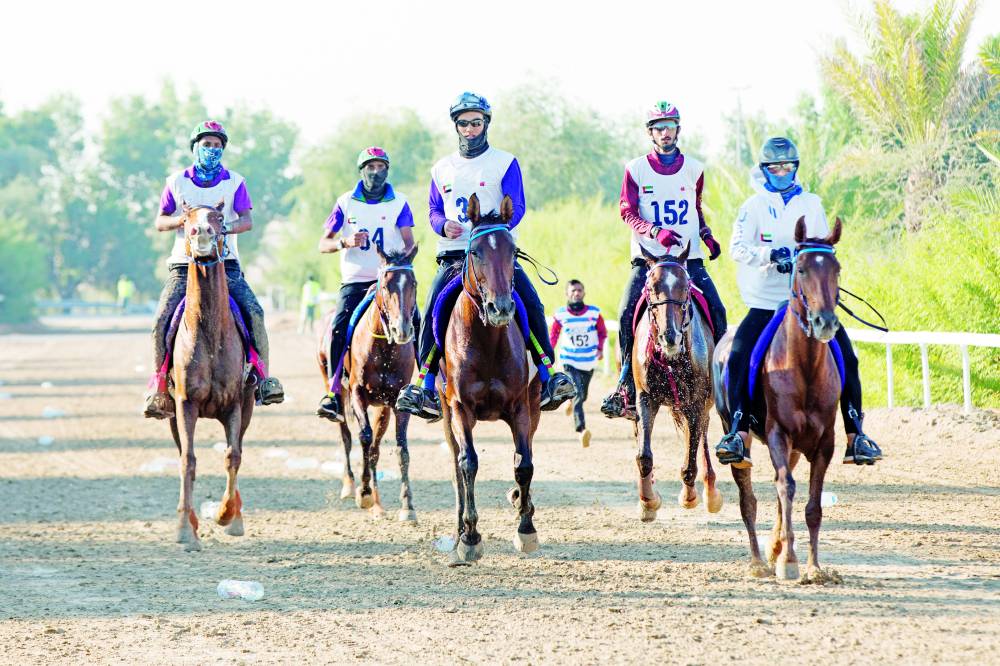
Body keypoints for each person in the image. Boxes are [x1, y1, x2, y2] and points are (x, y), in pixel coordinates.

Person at [395, 91, 576, 421]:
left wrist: (491, 232)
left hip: (495, 255)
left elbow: (516, 205)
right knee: (433, 306)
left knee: (531, 303)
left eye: (476, 122)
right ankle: (424, 387)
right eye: (463, 123)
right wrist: (442, 225)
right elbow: (434, 210)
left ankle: (550, 376)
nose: (470, 129)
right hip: (454, 255)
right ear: (456, 126)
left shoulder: (504, 162)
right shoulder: (441, 168)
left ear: (486, 123)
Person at [714, 137, 882, 468]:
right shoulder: (753, 206)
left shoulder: (812, 203)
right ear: (764, 170)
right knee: (738, 355)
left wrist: (812, 266)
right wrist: (769, 255)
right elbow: (737, 247)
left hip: (808, 303)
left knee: (848, 357)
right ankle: (738, 431)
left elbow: (823, 246)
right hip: (766, 301)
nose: (781, 172)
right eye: (774, 167)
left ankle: (856, 435)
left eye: (787, 166)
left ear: (795, 168)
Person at [143, 120, 284, 419]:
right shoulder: (176, 181)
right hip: (184, 266)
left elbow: (247, 220)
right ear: (195, 147)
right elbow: (160, 221)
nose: (212, 149)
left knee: (255, 312)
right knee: (160, 320)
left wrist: (222, 228)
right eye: (206, 144)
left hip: (226, 264)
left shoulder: (235, 182)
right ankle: (159, 388)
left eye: (217, 145)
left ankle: (264, 379)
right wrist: (183, 221)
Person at [601, 101, 727, 421]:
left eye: (669, 127)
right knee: (626, 312)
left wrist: (706, 234)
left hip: (688, 259)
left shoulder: (695, 168)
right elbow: (627, 212)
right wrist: (656, 232)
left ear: (677, 130)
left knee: (718, 311)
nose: (664, 133)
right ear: (650, 133)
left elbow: (694, 208)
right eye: (658, 128)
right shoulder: (636, 169)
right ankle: (626, 384)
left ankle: (723, 383)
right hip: (649, 260)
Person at [316, 146, 416, 422]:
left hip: (390, 282)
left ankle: (423, 387)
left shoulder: (400, 202)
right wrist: (344, 242)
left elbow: (408, 243)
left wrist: (399, 264)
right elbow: (323, 243)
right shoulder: (345, 202)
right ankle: (334, 392)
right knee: (338, 327)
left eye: (380, 167)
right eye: (370, 167)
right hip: (356, 281)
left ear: (387, 170)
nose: (375, 172)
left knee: (417, 320)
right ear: (362, 171)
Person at [550, 279, 607, 447]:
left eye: (579, 290)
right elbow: (553, 335)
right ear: (567, 294)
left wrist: (600, 348)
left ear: (584, 293)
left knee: (583, 395)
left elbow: (602, 332)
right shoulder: (561, 314)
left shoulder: (594, 313)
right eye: (573, 290)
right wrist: (549, 352)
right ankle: (581, 430)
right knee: (578, 394)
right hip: (569, 360)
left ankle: (570, 401)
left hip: (588, 361)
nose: (576, 293)